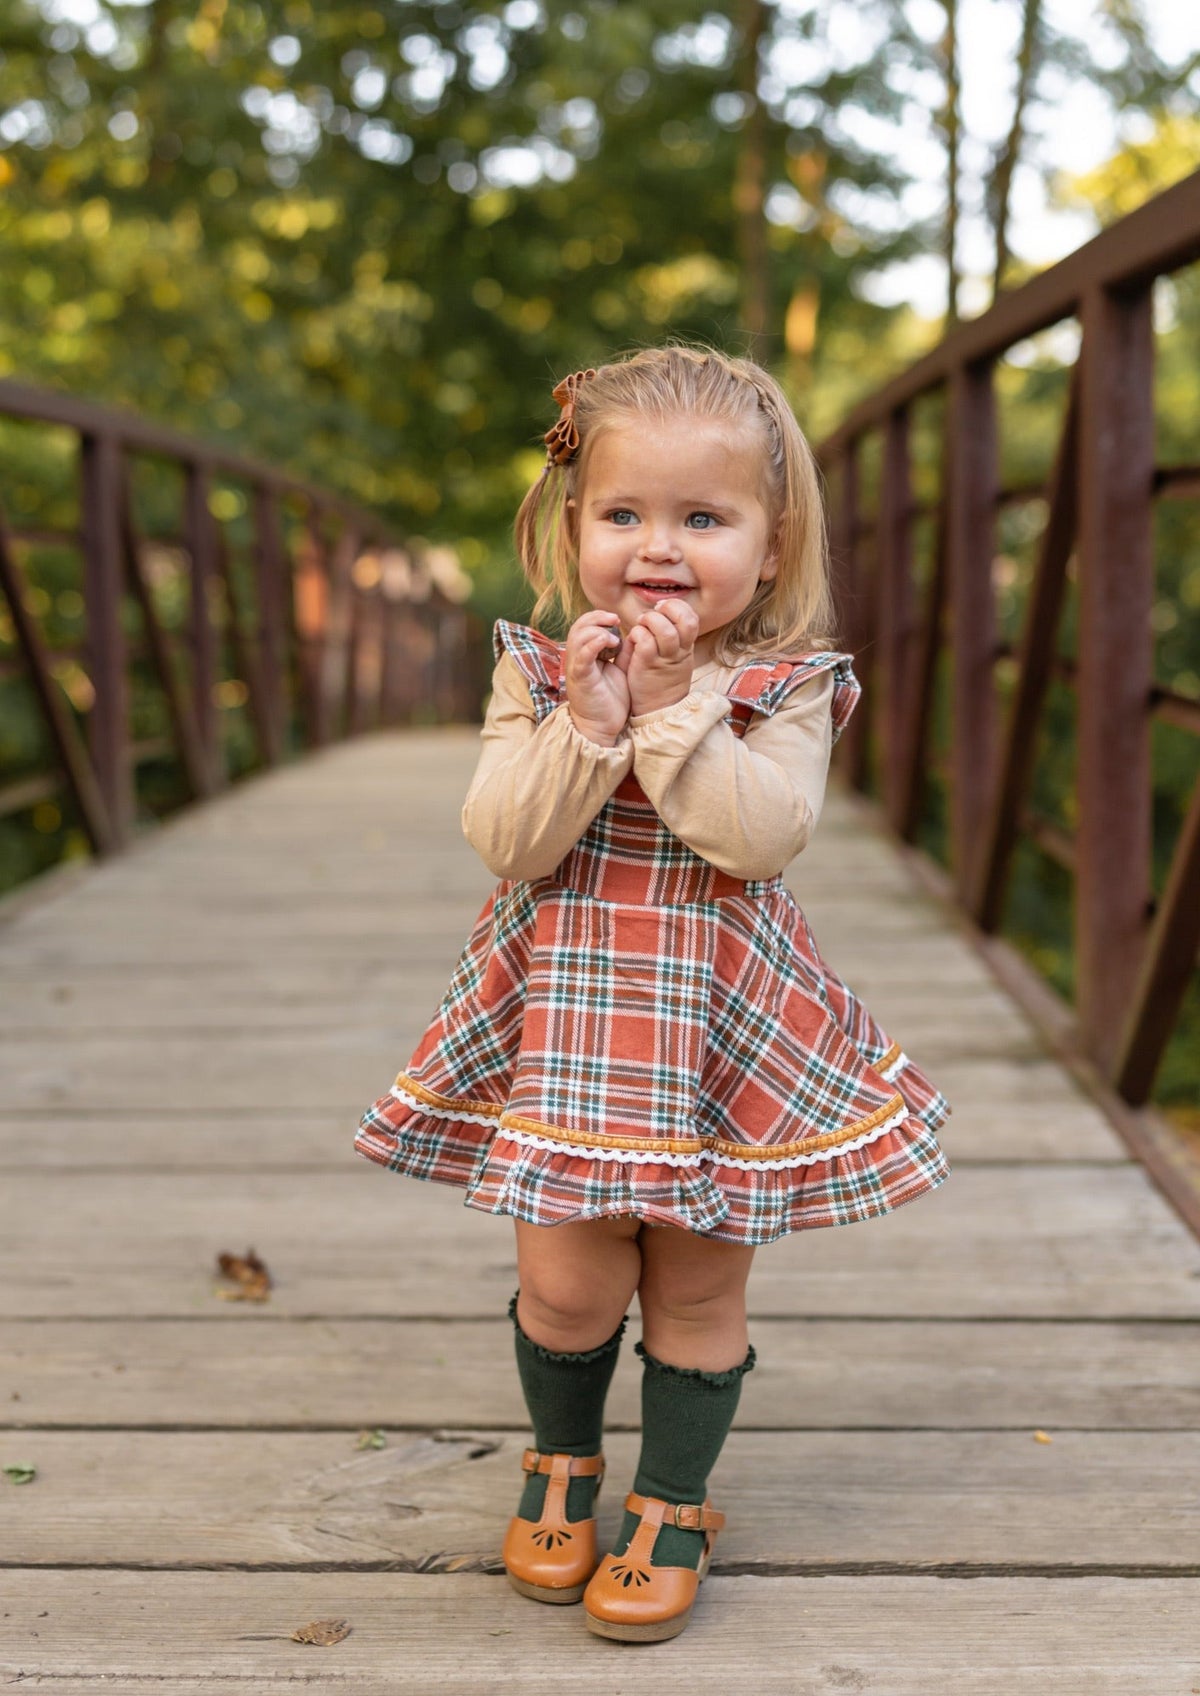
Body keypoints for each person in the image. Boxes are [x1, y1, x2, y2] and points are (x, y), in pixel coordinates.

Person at [355, 344, 951, 1644]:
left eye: (704, 517)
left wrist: (680, 710)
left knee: (692, 1288)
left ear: (772, 538)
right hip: (563, 1032)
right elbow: (511, 841)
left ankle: (674, 1493)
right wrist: (592, 721)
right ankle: (563, 1463)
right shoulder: (536, 671)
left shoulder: (786, 690)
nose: (659, 547)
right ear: (574, 525)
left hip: (720, 1042)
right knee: (565, 1286)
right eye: (625, 513)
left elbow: (760, 838)